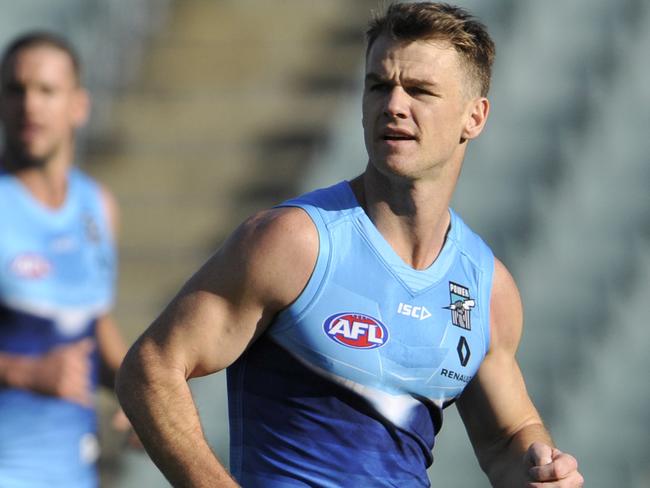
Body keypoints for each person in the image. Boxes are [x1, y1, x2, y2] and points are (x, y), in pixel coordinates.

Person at [116, 3, 583, 487]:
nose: (394, 104)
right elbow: (151, 369)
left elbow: (505, 438)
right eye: (379, 85)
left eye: (420, 90)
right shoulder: (295, 242)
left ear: (475, 117)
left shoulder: (487, 289)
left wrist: (541, 469)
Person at [0, 32, 131, 487]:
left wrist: (140, 392)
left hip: (73, 473)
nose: (29, 106)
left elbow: (94, 319)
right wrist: (22, 370)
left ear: (79, 105)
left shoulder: (98, 207)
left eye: (46, 91)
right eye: (16, 90)